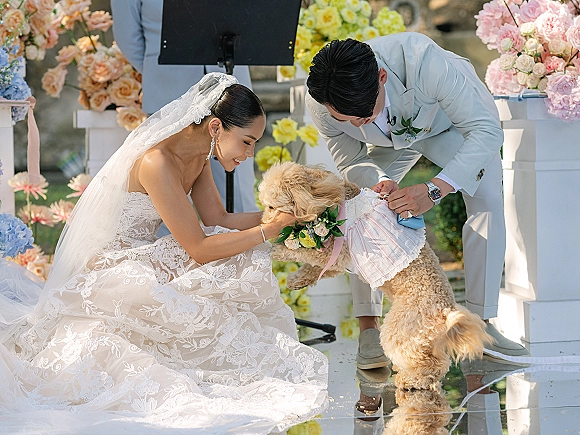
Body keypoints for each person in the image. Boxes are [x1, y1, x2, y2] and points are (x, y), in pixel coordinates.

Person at [0, 73, 328, 433]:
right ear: (216, 126)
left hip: (145, 256)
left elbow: (218, 218)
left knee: (237, 253)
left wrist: (288, 216)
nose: (249, 154)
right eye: (247, 141)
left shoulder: (199, 156)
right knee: (229, 257)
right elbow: (199, 247)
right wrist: (269, 230)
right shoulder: (157, 161)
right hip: (111, 265)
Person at [304, 32, 530, 370]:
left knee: (487, 199)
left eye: (362, 113)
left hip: (449, 127)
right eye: (345, 119)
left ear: (381, 77)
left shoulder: (425, 62)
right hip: (389, 147)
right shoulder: (320, 102)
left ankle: (481, 327)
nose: (356, 123)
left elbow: (485, 131)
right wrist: (380, 183)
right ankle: (369, 327)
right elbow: (352, 165)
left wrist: (435, 188)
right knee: (359, 205)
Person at [110, 0, 258, 213]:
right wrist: (160, 72)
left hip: (230, 81)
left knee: (237, 185)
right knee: (165, 189)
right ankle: (167, 246)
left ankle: (243, 241)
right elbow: (127, 37)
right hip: (169, 91)